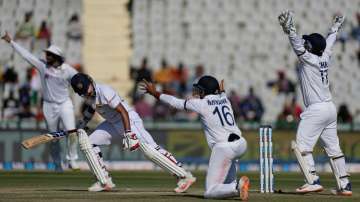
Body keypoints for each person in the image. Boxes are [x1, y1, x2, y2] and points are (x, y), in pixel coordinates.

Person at [70, 73, 195, 192]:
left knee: (150, 150)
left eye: (87, 88)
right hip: (112, 123)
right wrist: (81, 125)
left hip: (129, 120)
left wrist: (128, 133)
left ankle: (184, 176)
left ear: (90, 81)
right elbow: (91, 110)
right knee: (89, 143)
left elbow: (123, 111)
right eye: (83, 92)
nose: (87, 92)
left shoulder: (104, 91)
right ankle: (104, 181)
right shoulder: (89, 96)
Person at [141, 75, 250, 200]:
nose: (198, 92)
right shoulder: (225, 99)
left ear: (205, 90)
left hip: (224, 148)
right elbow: (221, 94)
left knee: (210, 192)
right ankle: (236, 187)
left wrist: (155, 93)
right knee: (226, 186)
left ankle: (237, 187)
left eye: (200, 89)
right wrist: (221, 90)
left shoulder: (202, 104)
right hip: (241, 144)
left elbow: (176, 103)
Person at [278, 10, 351, 195]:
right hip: (329, 108)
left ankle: (312, 180)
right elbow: (331, 41)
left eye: (307, 42)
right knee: (334, 149)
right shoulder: (325, 56)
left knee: (301, 146)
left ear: (310, 46)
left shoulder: (309, 59)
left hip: (316, 109)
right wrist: (335, 27)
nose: (305, 43)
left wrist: (290, 31)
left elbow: (297, 46)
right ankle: (344, 185)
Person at [1, 31, 79, 171]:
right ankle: (57, 163)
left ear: (57, 57)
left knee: (72, 132)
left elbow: (82, 81)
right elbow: (26, 55)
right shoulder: (42, 66)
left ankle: (72, 159)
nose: (46, 56)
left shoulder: (68, 70)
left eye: (49, 54)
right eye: (46, 54)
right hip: (49, 106)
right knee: (53, 137)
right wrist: (11, 42)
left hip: (65, 104)